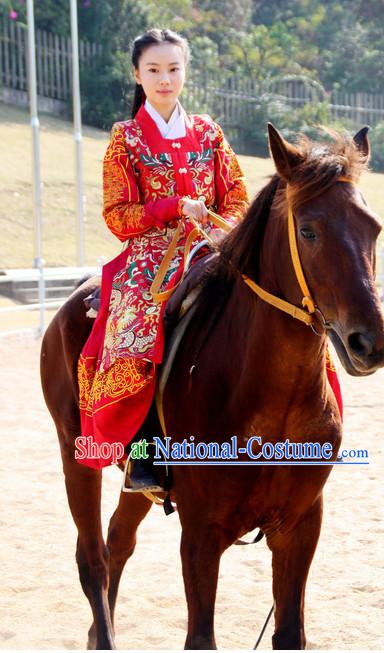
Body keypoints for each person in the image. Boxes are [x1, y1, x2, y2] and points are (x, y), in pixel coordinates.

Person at [76, 28, 249, 490]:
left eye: (174, 69)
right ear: (137, 74)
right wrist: (170, 207)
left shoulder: (209, 132)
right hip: (152, 254)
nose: (165, 79)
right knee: (135, 335)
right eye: (153, 70)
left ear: (185, 72)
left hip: (212, 242)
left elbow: (236, 194)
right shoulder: (126, 138)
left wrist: (220, 224)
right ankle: (143, 452)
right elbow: (118, 215)